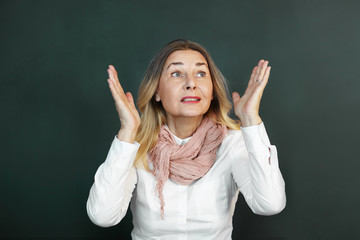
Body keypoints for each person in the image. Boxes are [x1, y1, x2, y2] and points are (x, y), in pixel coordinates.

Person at [86, 39, 286, 239]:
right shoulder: (137, 147)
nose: (191, 83)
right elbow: (103, 216)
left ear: (212, 91)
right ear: (156, 91)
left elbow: (269, 204)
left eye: (200, 74)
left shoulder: (231, 143)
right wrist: (127, 133)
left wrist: (250, 120)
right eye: (176, 74)